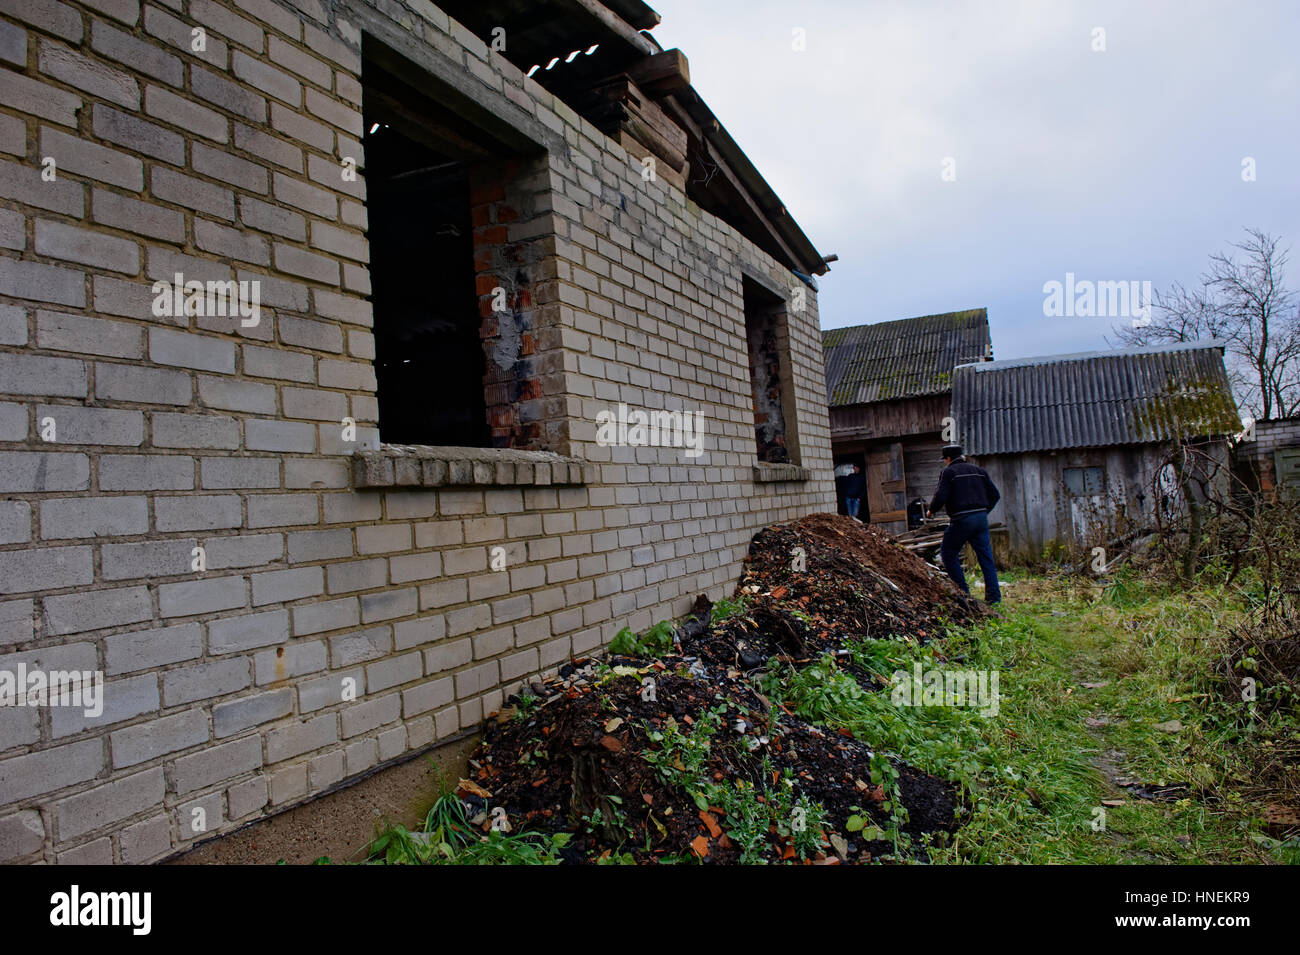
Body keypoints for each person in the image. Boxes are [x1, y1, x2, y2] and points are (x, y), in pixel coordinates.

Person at [926, 444, 1001, 604]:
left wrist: (931, 510)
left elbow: (941, 495)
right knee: (986, 557)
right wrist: (983, 511)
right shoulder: (979, 471)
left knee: (948, 552)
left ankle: (963, 593)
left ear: (948, 459)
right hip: (981, 518)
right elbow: (995, 495)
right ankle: (994, 598)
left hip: (962, 519)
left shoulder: (949, 472)